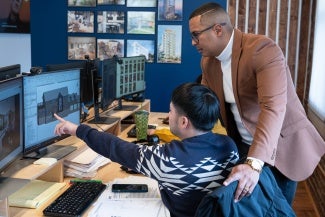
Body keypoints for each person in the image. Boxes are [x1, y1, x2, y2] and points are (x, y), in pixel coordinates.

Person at [189, 2, 325, 205]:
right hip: (244, 146)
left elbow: (273, 107)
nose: (193, 42)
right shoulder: (209, 62)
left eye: (195, 35)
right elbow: (208, 105)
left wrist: (253, 163)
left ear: (217, 29)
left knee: (275, 209)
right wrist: (183, 120)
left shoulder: (262, 49)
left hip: (280, 148)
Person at [54, 83, 239, 217]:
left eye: (171, 112)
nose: (168, 116)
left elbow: (115, 148)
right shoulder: (230, 147)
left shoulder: (168, 160)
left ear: (184, 122)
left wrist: (76, 129)